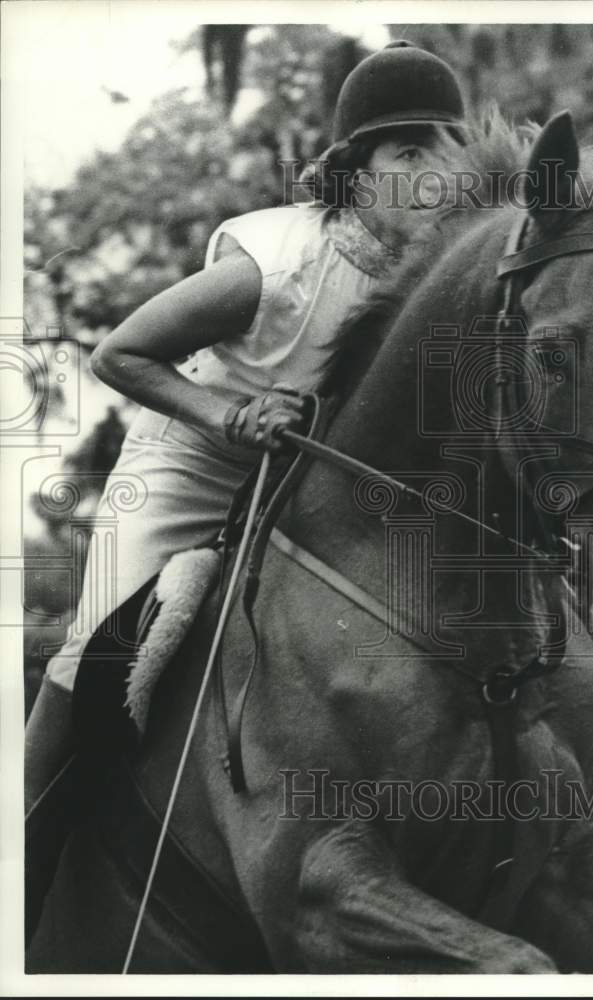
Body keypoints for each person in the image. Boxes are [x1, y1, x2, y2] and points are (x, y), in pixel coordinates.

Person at [25, 39, 470, 894]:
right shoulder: (275, 265)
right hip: (186, 466)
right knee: (100, 655)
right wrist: (229, 418)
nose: (433, 171)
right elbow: (120, 354)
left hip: (301, 486)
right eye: (408, 151)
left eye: (445, 149)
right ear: (355, 173)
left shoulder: (431, 282)